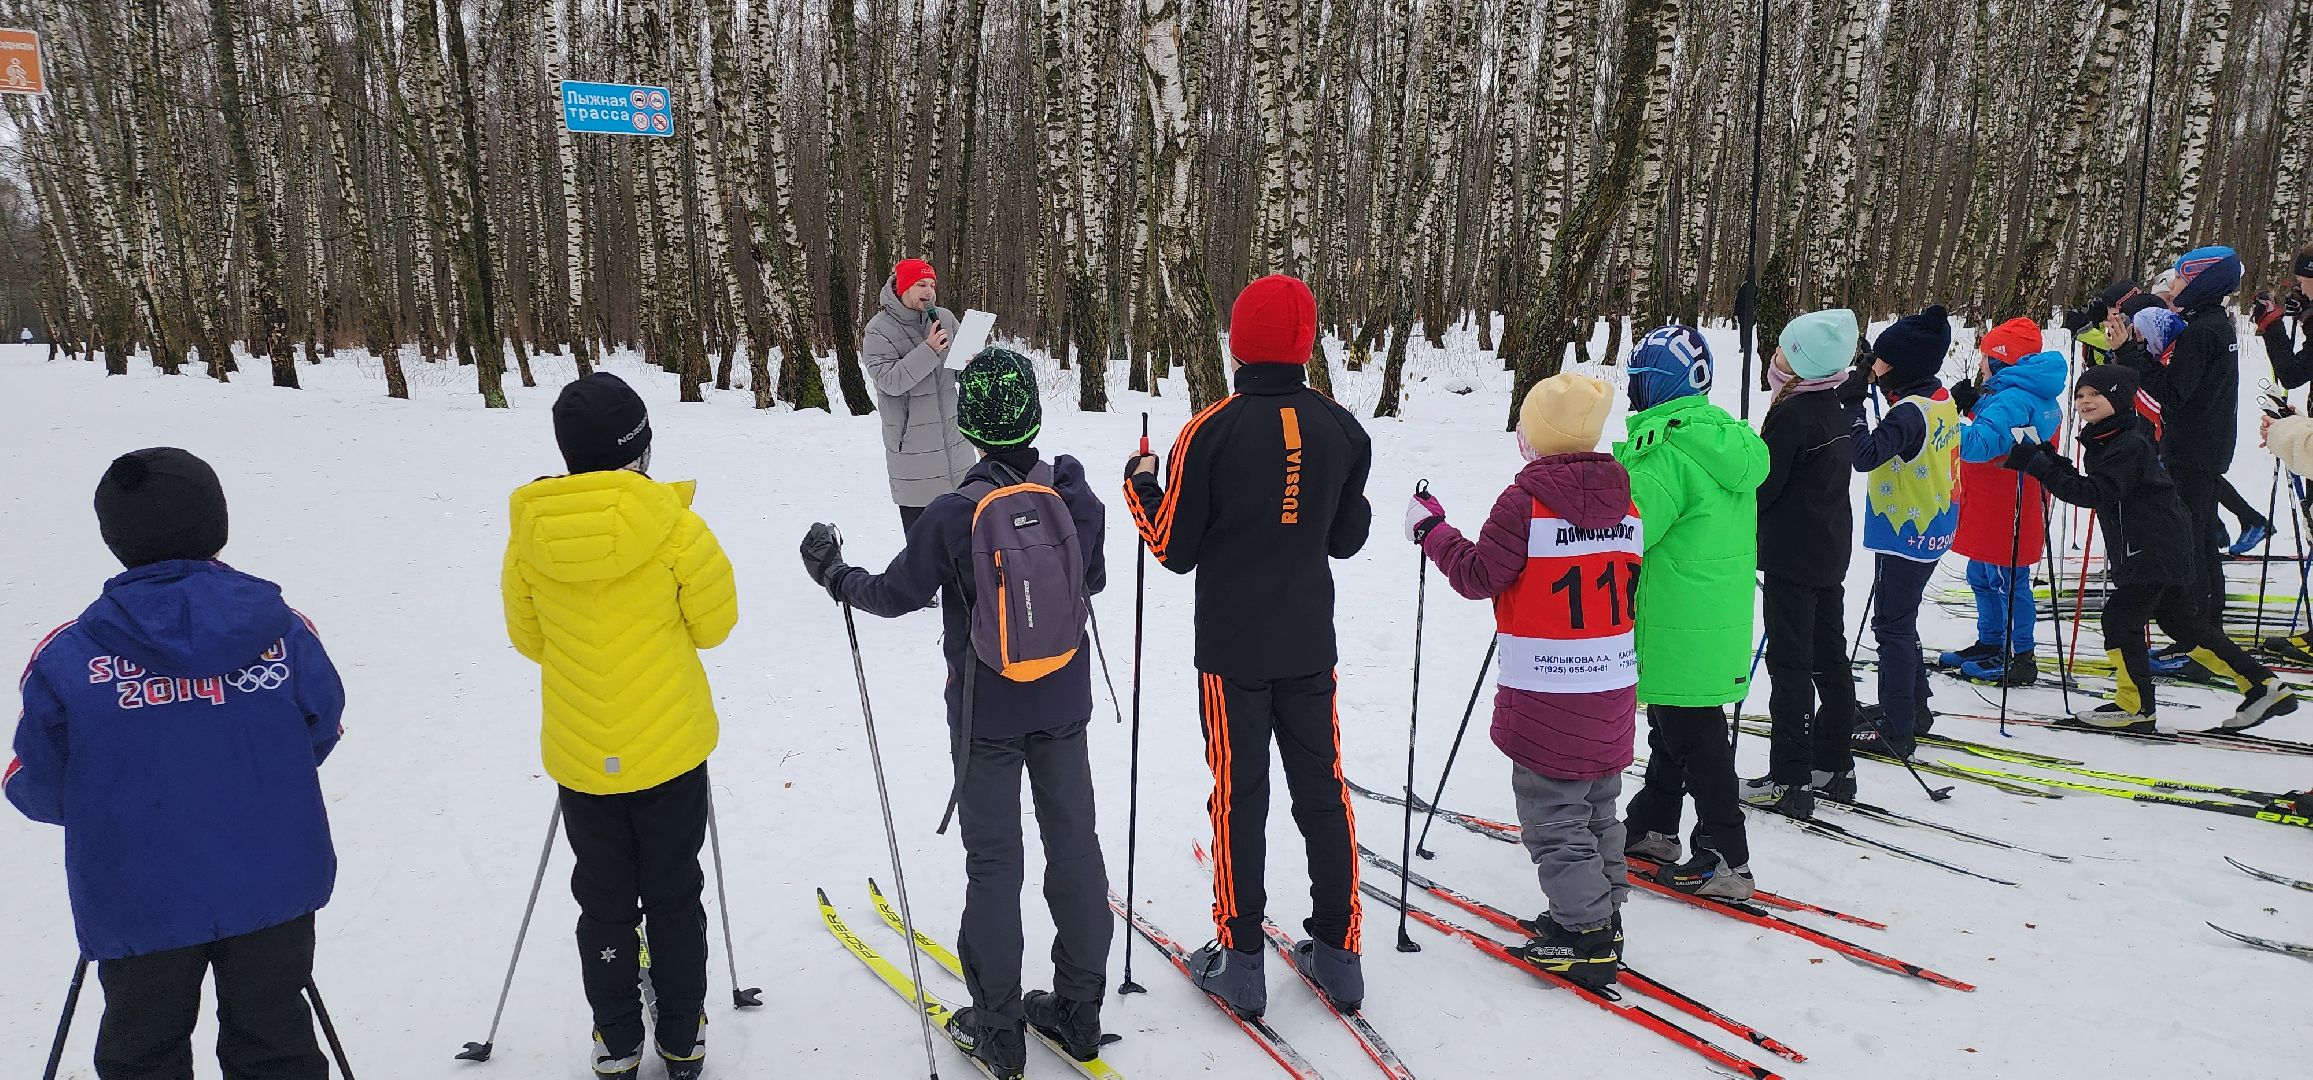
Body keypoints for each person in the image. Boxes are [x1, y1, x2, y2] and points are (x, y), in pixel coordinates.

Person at [800, 348, 1112, 1077]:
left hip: (985, 716)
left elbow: (892, 594)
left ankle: (1000, 1032)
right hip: (1064, 701)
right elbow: (1088, 578)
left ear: (969, 426)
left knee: (994, 864)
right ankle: (1079, 1010)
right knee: (1074, 847)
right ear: (1033, 415)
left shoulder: (952, 514)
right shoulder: (1074, 496)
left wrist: (834, 574)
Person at [6, 448, 345, 1080]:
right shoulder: (283, 633)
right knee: (275, 1041)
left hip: (139, 893)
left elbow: (39, 784)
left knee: (144, 1050)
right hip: (270, 882)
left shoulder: (70, 656)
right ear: (218, 523)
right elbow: (319, 732)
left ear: (114, 537)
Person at [1123, 273, 1374, 1017]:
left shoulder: (1210, 429)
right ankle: (1338, 952)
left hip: (1232, 650)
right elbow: (1347, 536)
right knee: (1322, 792)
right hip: (1306, 640)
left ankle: (1239, 960)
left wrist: (1140, 486)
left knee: (1240, 798)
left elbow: (1173, 546)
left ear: (1237, 343)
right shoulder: (1340, 427)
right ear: (1305, 343)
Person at [502, 373, 738, 1080]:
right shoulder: (673, 523)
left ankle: (615, 1038)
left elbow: (529, 638)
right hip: (669, 750)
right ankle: (681, 1034)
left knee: (603, 900)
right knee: (671, 889)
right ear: (640, 448)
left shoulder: (529, 535)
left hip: (583, 753)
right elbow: (716, 624)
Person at [1407, 373, 1638, 988]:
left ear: (1535, 438)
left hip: (1548, 691)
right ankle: (1602, 911)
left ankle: (1586, 934)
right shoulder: (1628, 498)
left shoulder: (1527, 501)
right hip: (1609, 682)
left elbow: (1480, 574)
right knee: (1597, 805)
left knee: (1553, 814)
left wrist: (1432, 531)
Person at [2005, 364, 2297, 732]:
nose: (2085, 401)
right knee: (2182, 625)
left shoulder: (2127, 444)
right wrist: (2048, 457)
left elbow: (2095, 492)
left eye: (2096, 394)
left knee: (2120, 620)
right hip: (2162, 546)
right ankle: (2264, 686)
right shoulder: (2110, 436)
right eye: (2080, 395)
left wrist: (2040, 468)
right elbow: (2096, 482)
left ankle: (2135, 707)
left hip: (2151, 549)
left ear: (2117, 397)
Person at [1612, 325, 1769, 900]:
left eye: (1637, 381)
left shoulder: (1666, 454)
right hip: (1711, 615)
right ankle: (1655, 821)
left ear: (1657, 385)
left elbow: (1629, 530)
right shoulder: (1723, 440)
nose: (1630, 393)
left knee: (1693, 733)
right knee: (1676, 725)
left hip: (1676, 615)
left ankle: (1727, 853)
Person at [1742, 309, 1862, 818]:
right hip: (1827, 550)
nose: (1775, 356)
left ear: (1804, 365)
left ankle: (1791, 777)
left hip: (1794, 556)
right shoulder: (1833, 402)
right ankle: (1834, 762)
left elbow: (1766, 488)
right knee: (1828, 658)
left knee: (1790, 666)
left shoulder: (1792, 414)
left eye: (1786, 352)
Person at [1846, 304, 1961, 760]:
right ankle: (1914, 707)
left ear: (1899, 367)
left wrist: (1852, 403)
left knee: (1891, 626)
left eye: (1879, 360)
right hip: (1932, 524)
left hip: (1906, 530)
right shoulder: (1938, 398)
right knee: (1902, 618)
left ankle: (1897, 728)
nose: (1873, 366)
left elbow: (1864, 454)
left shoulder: (1909, 413)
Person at [1939, 318, 2064, 687]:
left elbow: (1980, 445)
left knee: (2008, 578)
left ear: (2000, 359)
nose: (1980, 363)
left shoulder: (2013, 397)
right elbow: (2006, 431)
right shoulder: (2027, 391)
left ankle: (2021, 656)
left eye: (1985, 356)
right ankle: (1990, 641)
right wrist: (1977, 404)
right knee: (1982, 573)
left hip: (2007, 502)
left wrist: (1940, 426)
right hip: (2003, 499)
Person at [2160, 246, 2246, 626]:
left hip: (2192, 449)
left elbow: (2173, 393)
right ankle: (2207, 622)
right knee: (2203, 535)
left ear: (2200, 282)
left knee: (2193, 539)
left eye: (2180, 277)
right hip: (2205, 446)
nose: (2174, 283)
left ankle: (2199, 629)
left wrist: (2133, 358)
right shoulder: (2212, 324)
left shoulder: (2203, 330)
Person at [864, 258, 975, 532]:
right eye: (921, 284)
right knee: (925, 558)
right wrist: (929, 350)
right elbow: (889, 382)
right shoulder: (878, 330)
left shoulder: (945, 318)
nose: (929, 291)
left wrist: (971, 361)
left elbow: (959, 373)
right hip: (914, 458)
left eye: (932, 284)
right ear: (902, 287)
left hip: (957, 452)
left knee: (968, 552)